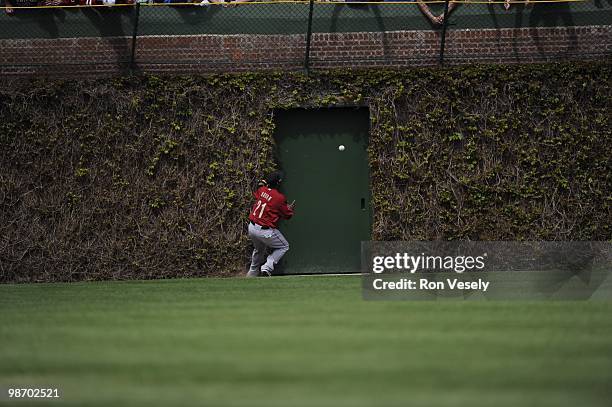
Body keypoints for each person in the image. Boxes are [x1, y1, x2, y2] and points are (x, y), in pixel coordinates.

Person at [246, 170, 294, 277]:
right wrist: (288, 208)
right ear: (278, 183)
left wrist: (264, 182)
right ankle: (266, 268)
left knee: (259, 249)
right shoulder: (279, 197)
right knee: (284, 246)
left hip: (252, 228)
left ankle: (251, 274)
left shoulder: (262, 190)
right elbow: (287, 215)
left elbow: (259, 187)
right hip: (264, 231)